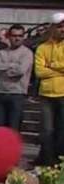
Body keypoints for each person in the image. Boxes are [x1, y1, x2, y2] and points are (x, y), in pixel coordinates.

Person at [0, 24, 34, 131]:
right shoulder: (2, 52)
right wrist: (12, 65)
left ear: (23, 37)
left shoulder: (27, 53)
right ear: (9, 36)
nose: (17, 38)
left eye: (20, 35)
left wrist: (4, 69)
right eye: (14, 35)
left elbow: (20, 71)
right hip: (1, 93)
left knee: (13, 127)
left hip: (17, 94)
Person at [35, 12, 64, 165]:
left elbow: (46, 69)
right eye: (59, 26)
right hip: (46, 94)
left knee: (62, 130)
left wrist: (51, 66)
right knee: (47, 130)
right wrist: (60, 69)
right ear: (52, 28)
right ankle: (47, 161)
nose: (63, 29)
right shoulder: (42, 48)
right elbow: (39, 71)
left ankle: (60, 162)